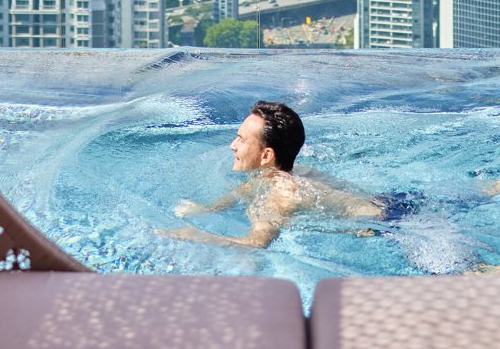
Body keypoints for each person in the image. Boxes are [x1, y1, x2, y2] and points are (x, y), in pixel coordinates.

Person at [159, 101, 382, 249]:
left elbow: (256, 245)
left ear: (266, 156)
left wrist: (196, 236)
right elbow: (245, 191)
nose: (232, 146)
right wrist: (208, 209)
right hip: (387, 204)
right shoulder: (289, 172)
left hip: (386, 227)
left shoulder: (281, 194)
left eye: (242, 140)